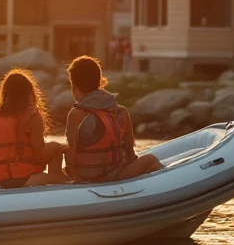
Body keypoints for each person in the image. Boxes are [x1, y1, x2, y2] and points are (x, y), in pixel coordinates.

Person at [65, 55, 162, 183]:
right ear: (99, 82)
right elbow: (130, 154)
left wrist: (74, 180)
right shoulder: (121, 112)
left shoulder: (76, 115)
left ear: (74, 85)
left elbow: (70, 157)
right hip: (114, 176)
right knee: (150, 160)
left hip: (85, 178)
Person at [0, 69, 67, 188]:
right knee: (55, 148)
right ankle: (57, 182)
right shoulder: (32, 114)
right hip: (25, 178)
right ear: (29, 92)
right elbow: (40, 155)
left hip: (1, 179)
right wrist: (63, 148)